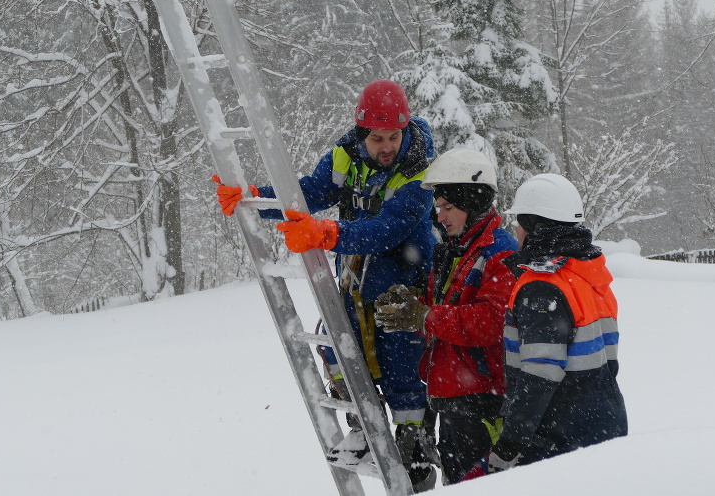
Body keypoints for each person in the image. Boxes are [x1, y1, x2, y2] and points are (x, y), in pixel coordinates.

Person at [212, 80, 438, 491]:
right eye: (377, 138)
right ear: (361, 132)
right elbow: (309, 193)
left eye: (393, 137)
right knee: (339, 348)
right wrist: (254, 197)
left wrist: (330, 234)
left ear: (405, 131)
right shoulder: (345, 155)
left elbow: (389, 229)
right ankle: (362, 424)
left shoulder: (421, 170)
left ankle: (414, 443)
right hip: (355, 277)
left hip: (404, 279)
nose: (386, 146)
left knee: (401, 361)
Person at [373, 148, 518, 485]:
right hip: (452, 397)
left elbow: (491, 323)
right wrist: (413, 303)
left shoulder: (500, 252)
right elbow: (448, 304)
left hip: (483, 403)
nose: (440, 217)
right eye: (438, 208)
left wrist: (425, 316)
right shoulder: (454, 249)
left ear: (473, 201)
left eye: (447, 207)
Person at [467, 173, 627, 477]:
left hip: (558, 439)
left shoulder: (542, 287)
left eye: (519, 224)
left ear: (534, 226)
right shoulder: (588, 275)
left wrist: (509, 444)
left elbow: (540, 374)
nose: (516, 232)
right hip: (603, 426)